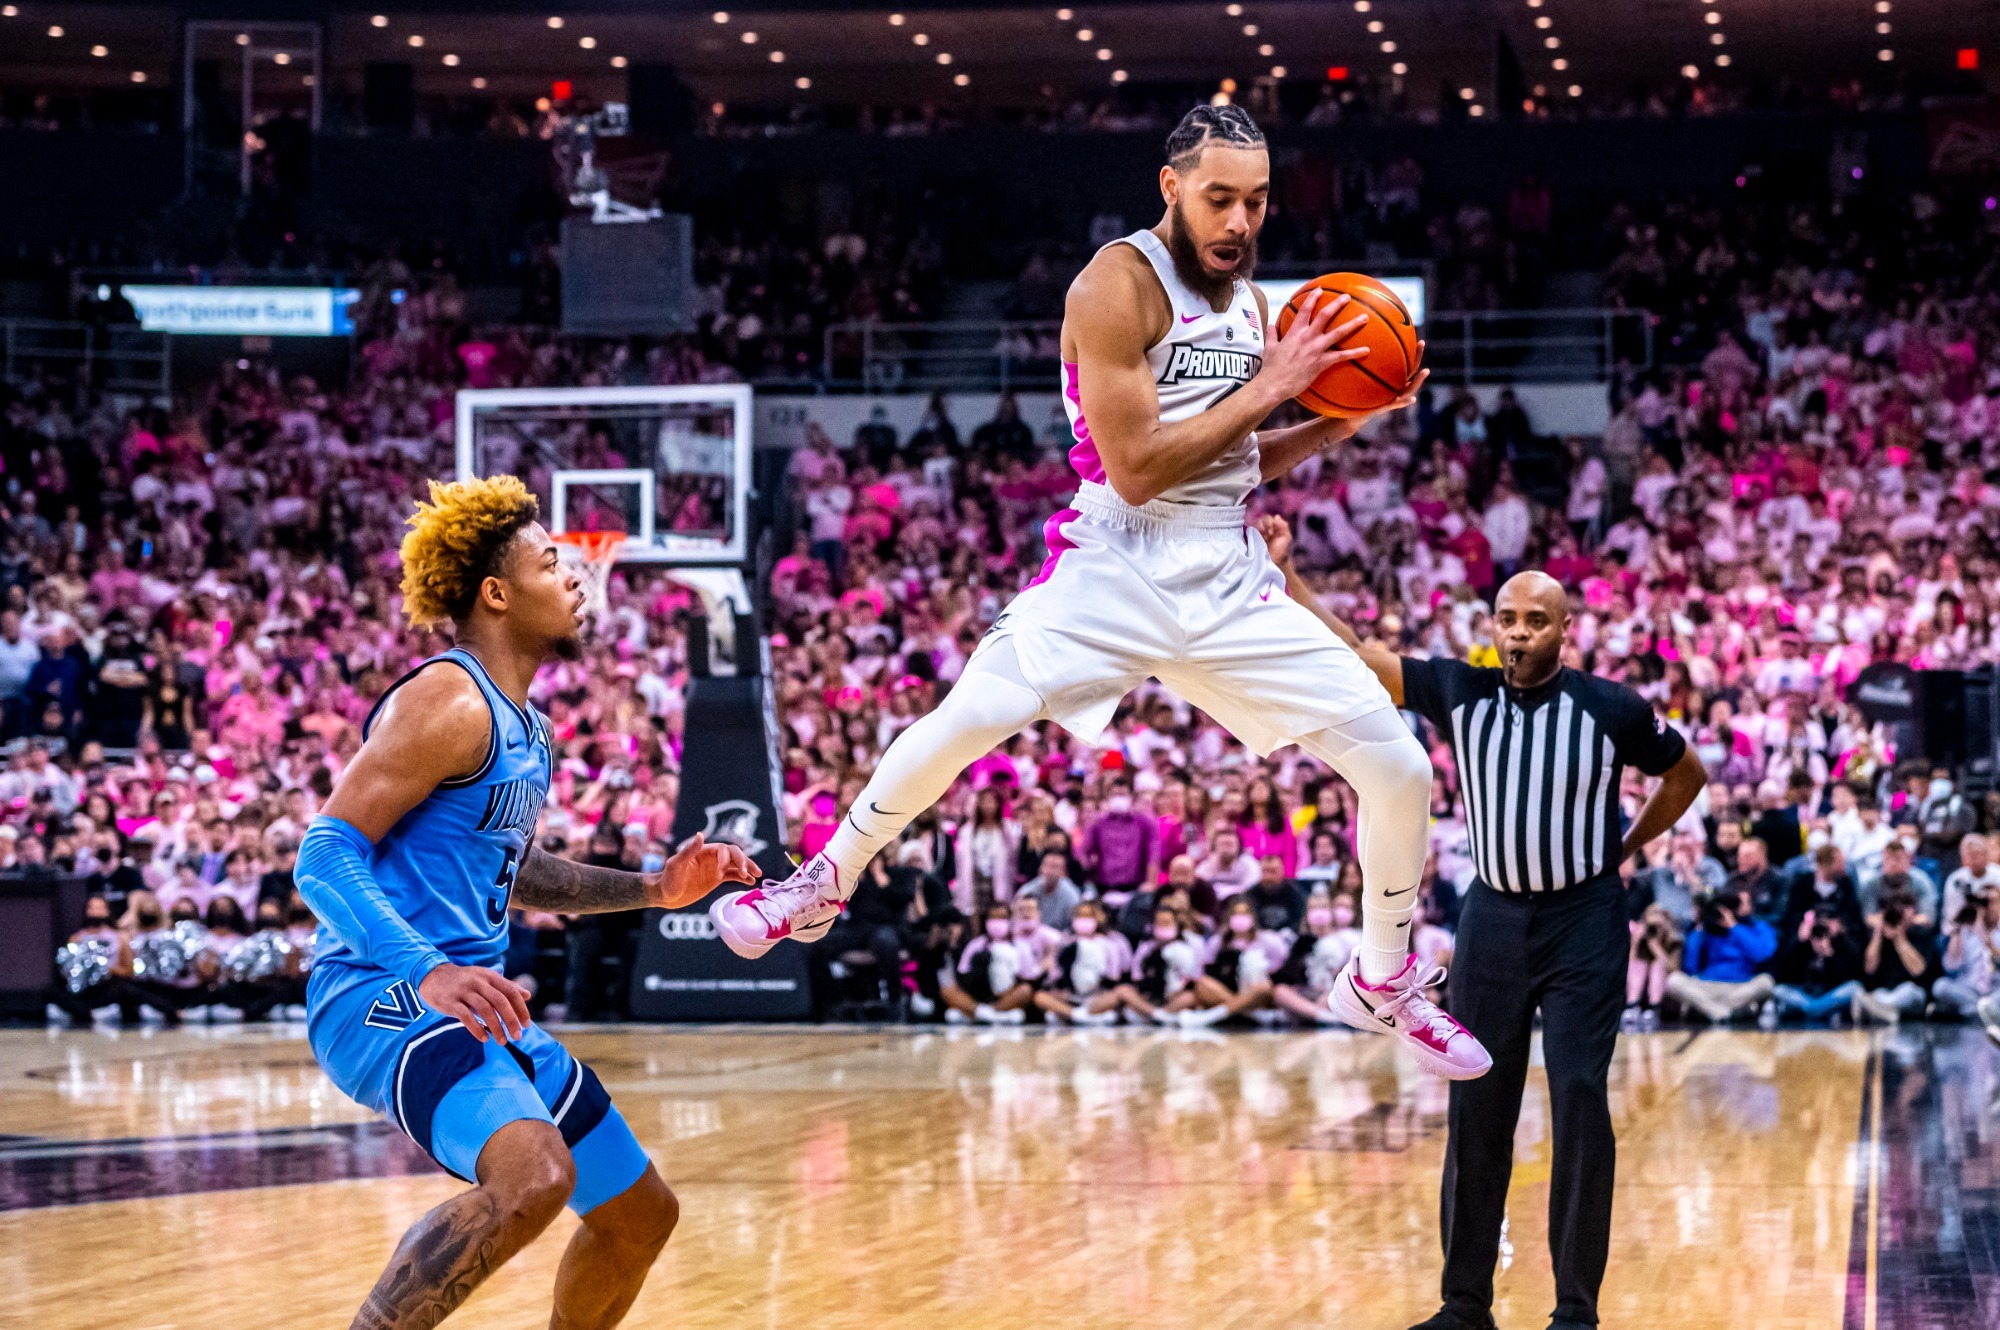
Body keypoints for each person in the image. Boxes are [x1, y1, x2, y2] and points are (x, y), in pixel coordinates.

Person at [707, 103, 1484, 1079]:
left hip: (1225, 567)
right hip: (1114, 555)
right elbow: (1138, 470)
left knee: (1399, 767)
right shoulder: (1114, 284)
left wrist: (1340, 422)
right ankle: (824, 880)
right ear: (1170, 187)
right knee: (970, 716)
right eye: (1218, 198)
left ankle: (1378, 977)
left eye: (1255, 201)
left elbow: (1233, 460)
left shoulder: (1250, 306)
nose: (1239, 221)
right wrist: (1275, 386)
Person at [296, 476, 757, 1330]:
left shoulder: (528, 726)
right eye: (550, 563)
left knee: (639, 1215)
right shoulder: (449, 698)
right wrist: (428, 970)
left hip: (472, 1003)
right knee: (535, 1177)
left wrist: (653, 890)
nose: (575, 577)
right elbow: (322, 854)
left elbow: (514, 869)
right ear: (497, 594)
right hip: (380, 991)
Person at [1271, 529, 1707, 1330]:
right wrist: (1290, 574)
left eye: (1536, 620)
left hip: (1585, 920)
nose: (1518, 633)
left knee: (1580, 1096)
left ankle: (1575, 1311)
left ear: (1565, 628)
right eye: (1507, 618)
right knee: (1477, 1103)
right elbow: (1359, 655)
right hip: (1494, 919)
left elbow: (1687, 774)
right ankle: (1465, 1304)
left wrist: (1628, 845)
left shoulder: (1610, 707)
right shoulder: (1461, 691)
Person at [1666, 894, 1778, 1023]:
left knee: (1766, 982)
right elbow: (1691, 966)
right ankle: (1724, 1012)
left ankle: (1708, 1010)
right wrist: (1700, 925)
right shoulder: (1708, 930)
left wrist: (1733, 926)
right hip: (1707, 985)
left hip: (1739, 988)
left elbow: (1761, 954)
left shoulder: (1757, 927)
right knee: (1673, 980)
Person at [1853, 888, 1938, 1024]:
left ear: (1914, 911)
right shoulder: (1878, 935)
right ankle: (1885, 1010)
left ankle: (1878, 1007)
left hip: (1915, 995)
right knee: (1879, 993)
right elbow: (1869, 968)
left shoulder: (1922, 933)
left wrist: (1900, 938)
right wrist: (1878, 933)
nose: (1901, 913)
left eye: (1906, 907)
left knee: (1906, 990)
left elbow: (1918, 970)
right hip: (1885, 991)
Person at [1769, 912, 1864, 1023]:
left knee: (1855, 987)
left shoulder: (1839, 944)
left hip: (1829, 995)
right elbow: (1783, 973)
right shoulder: (1802, 945)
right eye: (1817, 932)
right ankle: (1816, 1010)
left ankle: (1814, 1010)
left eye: (1823, 931)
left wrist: (1829, 954)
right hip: (1806, 995)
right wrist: (1798, 941)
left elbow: (1846, 977)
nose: (1819, 936)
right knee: (1779, 990)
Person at [1015, 848, 1083, 931]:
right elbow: (1015, 919)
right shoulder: (1028, 891)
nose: (1050, 871)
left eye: (1055, 867)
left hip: (1062, 935)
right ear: (1040, 869)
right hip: (1033, 933)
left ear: (1063, 872)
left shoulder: (1071, 895)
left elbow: (1076, 925)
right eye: (1047, 865)